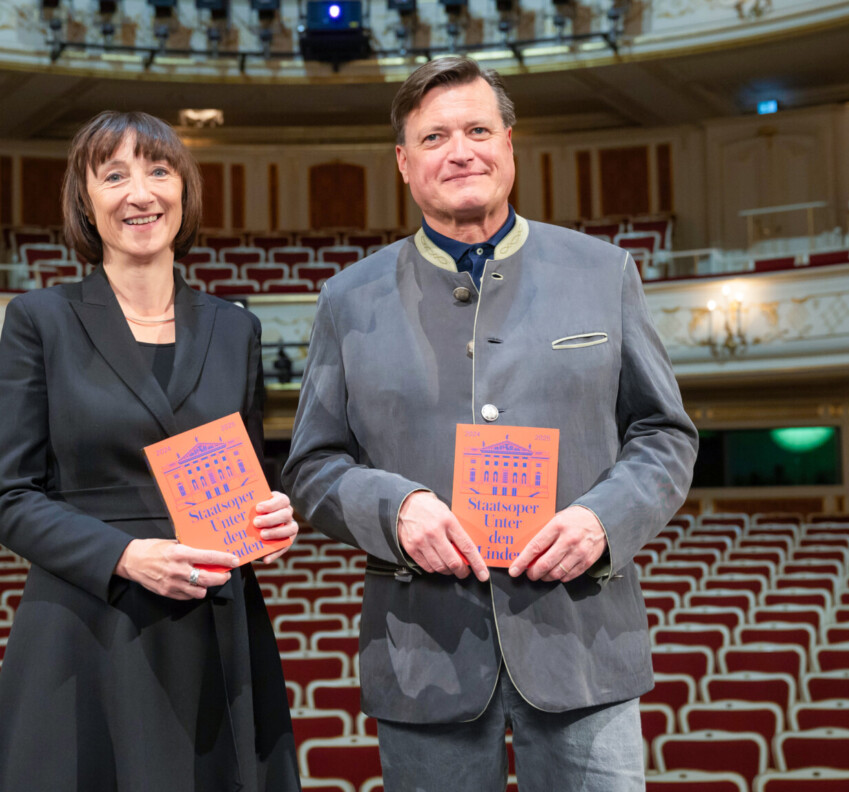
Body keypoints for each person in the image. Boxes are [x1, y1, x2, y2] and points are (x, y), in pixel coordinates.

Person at [282, 56, 697, 792]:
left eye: (478, 129)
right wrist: (395, 509)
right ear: (405, 165)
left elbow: (665, 435)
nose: (461, 150)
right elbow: (312, 465)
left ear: (510, 144)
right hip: (424, 654)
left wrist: (604, 521)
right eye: (435, 137)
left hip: (583, 644)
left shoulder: (604, 272)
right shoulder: (347, 300)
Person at [0, 110, 301, 792]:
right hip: (89, 625)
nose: (141, 192)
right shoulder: (41, 321)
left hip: (217, 625)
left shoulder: (235, 327)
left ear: (184, 190)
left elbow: (252, 474)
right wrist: (125, 556)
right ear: (86, 201)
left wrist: (272, 521)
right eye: (115, 175)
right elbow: (8, 498)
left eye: (159, 170)